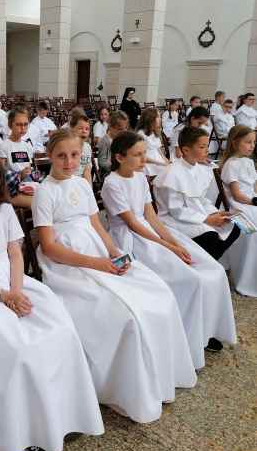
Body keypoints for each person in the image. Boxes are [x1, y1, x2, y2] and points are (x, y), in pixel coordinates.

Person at [0, 146, 104, 451]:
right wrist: (3, 296)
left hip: (11, 279)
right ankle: (21, 434)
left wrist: (17, 290)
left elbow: (15, 255)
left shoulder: (3, 208)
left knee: (60, 329)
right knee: (16, 349)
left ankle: (60, 413)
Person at [32, 129, 196, 424]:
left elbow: (97, 226)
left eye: (74, 155)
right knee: (125, 317)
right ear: (50, 157)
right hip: (69, 263)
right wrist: (97, 263)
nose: (69, 162)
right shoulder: (45, 191)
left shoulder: (82, 185)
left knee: (157, 292)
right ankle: (122, 390)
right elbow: (49, 246)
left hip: (98, 252)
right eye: (61, 156)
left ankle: (160, 377)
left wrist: (114, 253)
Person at [102, 131, 237, 367]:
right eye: (138, 154)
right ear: (120, 157)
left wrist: (174, 242)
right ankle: (185, 337)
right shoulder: (112, 183)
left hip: (150, 232)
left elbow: (151, 216)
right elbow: (132, 223)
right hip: (130, 238)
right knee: (189, 279)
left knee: (212, 270)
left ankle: (205, 330)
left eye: (144, 153)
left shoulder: (139, 177)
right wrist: (167, 246)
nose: (144, 159)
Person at [153, 127, 241, 262]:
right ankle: (203, 263)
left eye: (207, 146)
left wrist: (215, 213)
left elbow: (201, 199)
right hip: (174, 220)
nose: (207, 150)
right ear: (186, 150)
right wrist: (206, 219)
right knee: (210, 237)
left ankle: (208, 261)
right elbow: (177, 210)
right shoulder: (171, 175)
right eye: (202, 147)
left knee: (235, 227)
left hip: (196, 214)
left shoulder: (198, 169)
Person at [221, 126, 257, 297]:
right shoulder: (231, 164)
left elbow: (254, 188)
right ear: (235, 143)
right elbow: (236, 194)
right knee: (253, 231)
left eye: (254, 142)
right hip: (238, 207)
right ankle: (247, 278)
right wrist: (254, 202)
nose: (252, 146)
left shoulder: (249, 162)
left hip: (251, 202)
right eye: (248, 142)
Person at [0, 108, 34, 179]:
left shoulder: (27, 146)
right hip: (13, 183)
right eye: (18, 124)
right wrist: (20, 175)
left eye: (25, 124)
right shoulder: (3, 146)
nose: (23, 128)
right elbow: (1, 173)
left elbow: (28, 168)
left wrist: (28, 173)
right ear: (10, 125)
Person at [136, 108, 170, 177]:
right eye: (158, 117)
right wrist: (160, 163)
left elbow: (158, 149)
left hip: (158, 162)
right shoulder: (141, 134)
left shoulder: (155, 131)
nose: (160, 119)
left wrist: (166, 160)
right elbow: (141, 156)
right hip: (149, 163)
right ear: (151, 119)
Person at [97, 110, 129, 178]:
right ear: (111, 127)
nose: (123, 132)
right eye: (120, 129)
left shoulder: (122, 140)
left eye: (125, 129)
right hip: (108, 174)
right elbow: (102, 162)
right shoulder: (105, 141)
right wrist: (116, 167)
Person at [69, 113, 92, 183]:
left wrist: (89, 188)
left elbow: (87, 171)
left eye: (87, 129)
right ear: (72, 129)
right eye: (80, 128)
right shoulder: (67, 147)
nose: (84, 131)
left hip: (82, 183)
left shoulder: (87, 147)